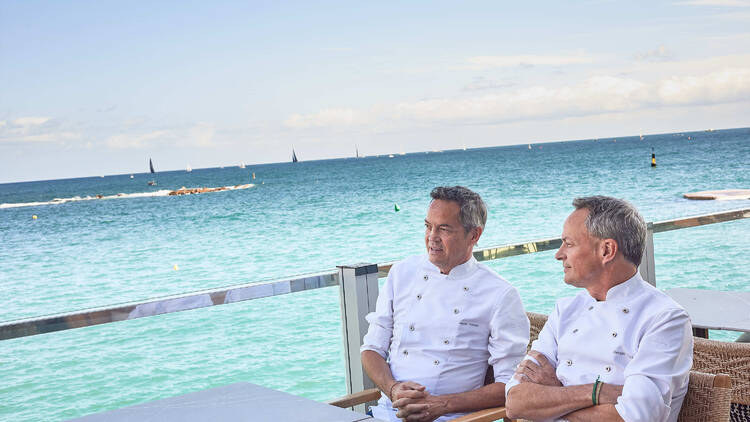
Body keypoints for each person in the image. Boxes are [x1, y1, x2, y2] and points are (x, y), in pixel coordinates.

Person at [505, 196, 693, 422]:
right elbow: (515, 402)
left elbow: (635, 418)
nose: (559, 254)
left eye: (569, 243)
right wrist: (597, 392)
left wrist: (555, 393)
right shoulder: (565, 311)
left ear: (606, 251)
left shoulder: (664, 319)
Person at [361, 186, 529, 422]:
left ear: (474, 235)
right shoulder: (402, 273)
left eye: (444, 229)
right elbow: (371, 350)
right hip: (386, 413)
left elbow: (510, 386)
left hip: (453, 418)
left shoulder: (500, 294)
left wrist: (442, 404)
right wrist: (393, 389)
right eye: (428, 226)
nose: (432, 237)